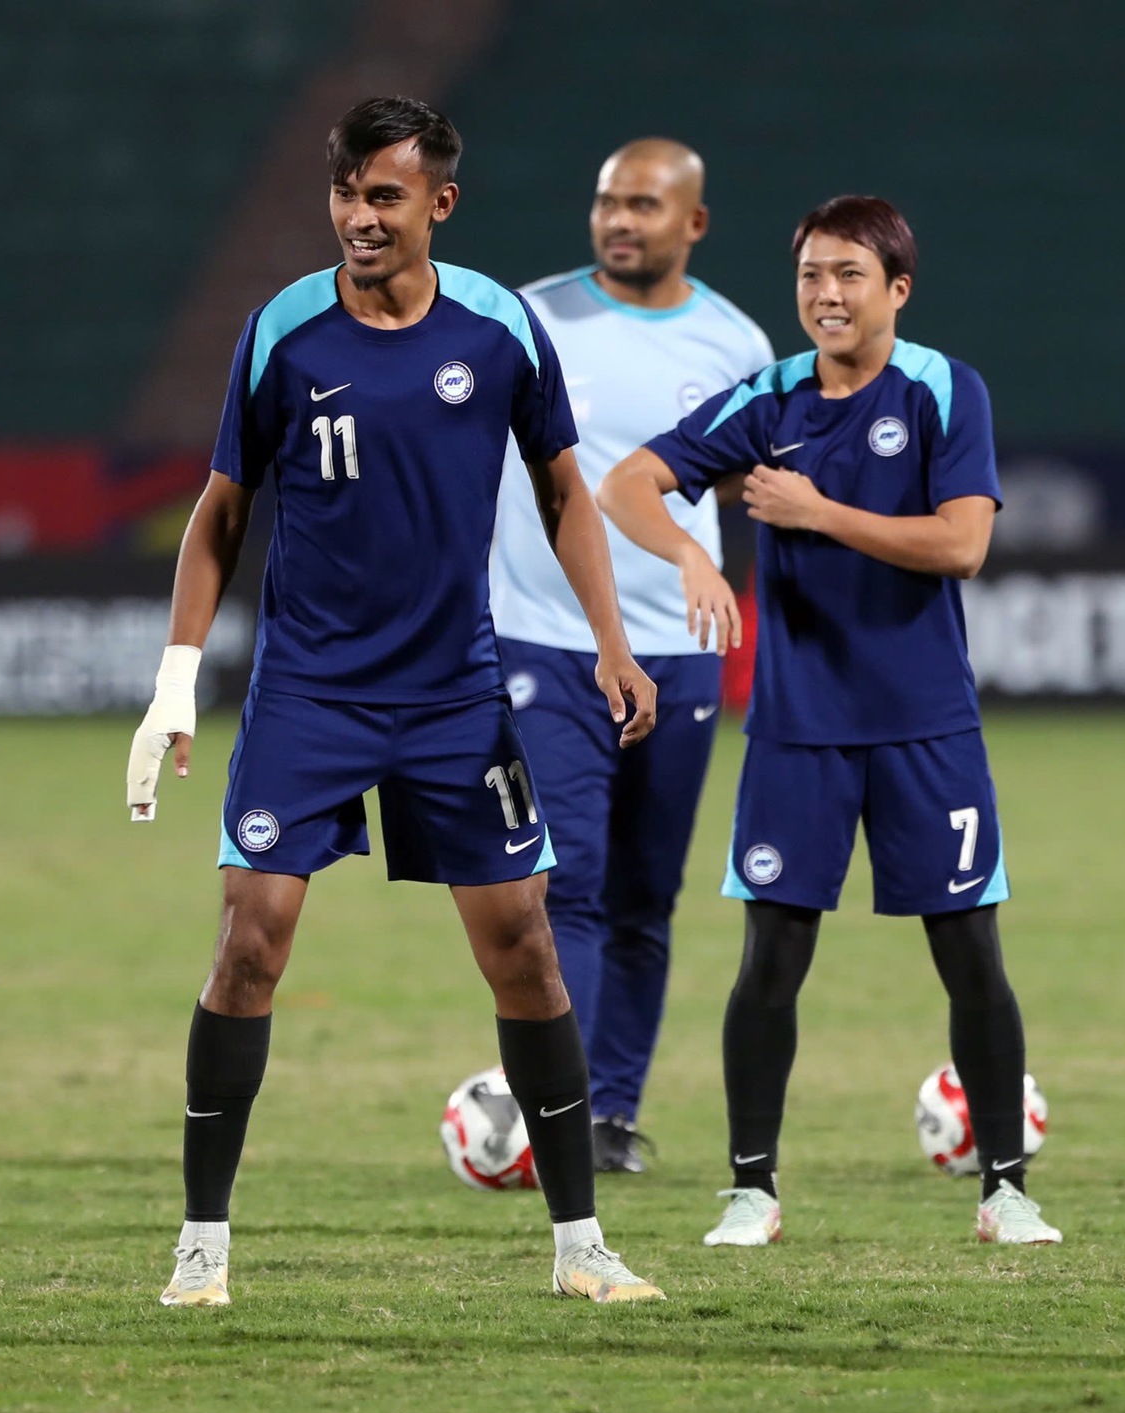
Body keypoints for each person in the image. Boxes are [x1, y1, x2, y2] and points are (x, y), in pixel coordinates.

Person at [125, 96, 664, 1308]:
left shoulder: (500, 328)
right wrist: (174, 684)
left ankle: (581, 1246)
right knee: (248, 939)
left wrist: (611, 643)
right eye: (344, 193)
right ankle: (200, 1248)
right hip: (309, 691)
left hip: (450, 696)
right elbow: (220, 511)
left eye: (383, 195)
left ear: (439, 203)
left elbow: (567, 493)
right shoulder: (282, 332)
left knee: (523, 948)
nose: (358, 218)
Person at [597, 195, 1063, 1249]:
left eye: (849, 274)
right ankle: (751, 1191)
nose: (825, 294)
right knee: (769, 961)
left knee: (971, 957)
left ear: (896, 288)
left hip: (924, 727)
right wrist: (689, 553)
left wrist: (816, 515)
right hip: (796, 733)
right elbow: (626, 481)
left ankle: (1004, 1190)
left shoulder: (944, 391)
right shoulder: (765, 402)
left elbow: (959, 546)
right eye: (810, 274)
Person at [491, 138, 773, 1174]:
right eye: (608, 201)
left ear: (691, 223)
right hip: (543, 638)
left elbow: (747, 477)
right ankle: (555, 1109)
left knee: (644, 895)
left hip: (676, 650)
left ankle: (610, 1112)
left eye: (644, 205)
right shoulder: (527, 319)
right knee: (562, 885)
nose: (619, 220)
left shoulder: (736, 345)